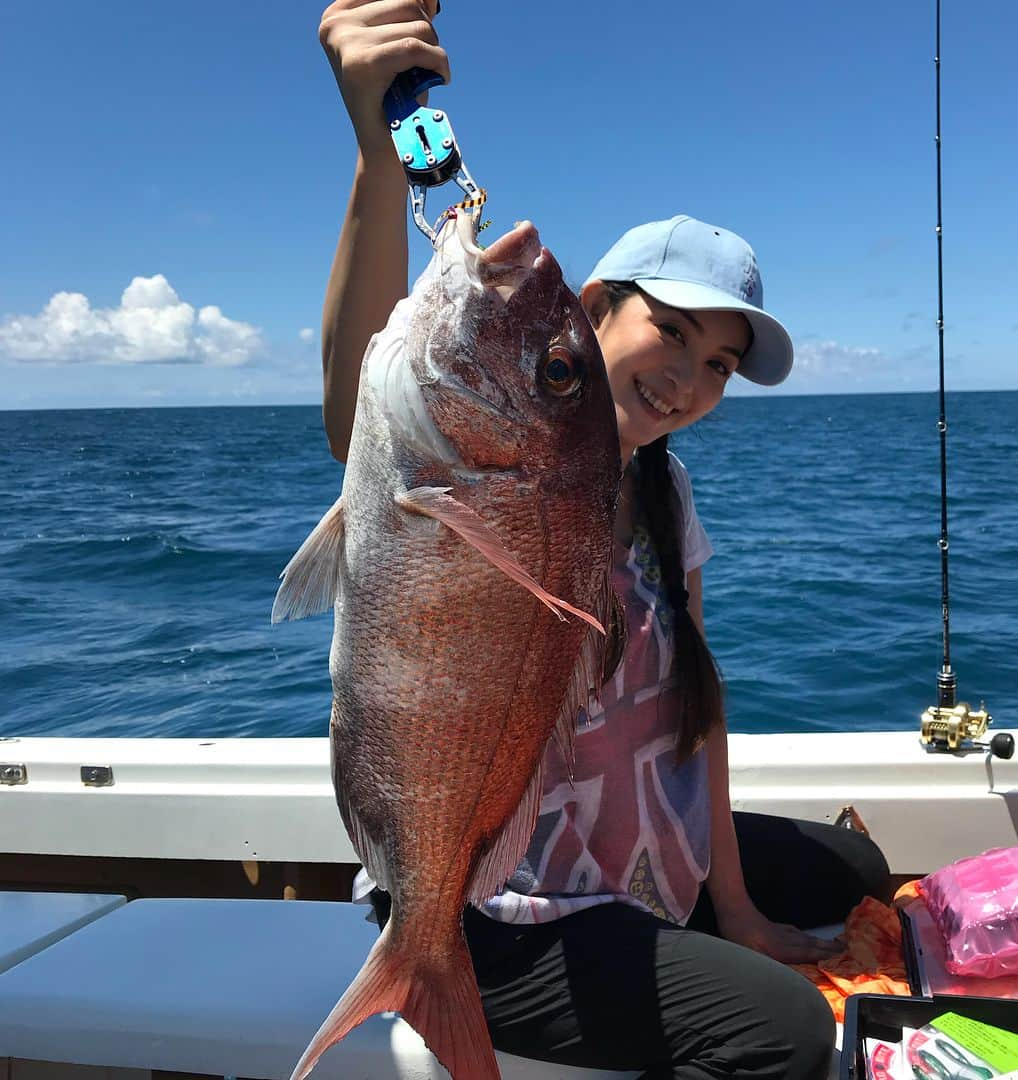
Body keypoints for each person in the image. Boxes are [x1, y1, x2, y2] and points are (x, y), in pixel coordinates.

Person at [317, 2, 892, 1077]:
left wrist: (738, 906)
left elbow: (696, 720)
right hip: (507, 909)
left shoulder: (665, 495)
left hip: (632, 855)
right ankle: (431, 952)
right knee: (788, 1035)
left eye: (718, 363)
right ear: (592, 313)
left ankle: (688, 930)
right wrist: (377, 153)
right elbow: (360, 408)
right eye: (669, 332)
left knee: (852, 868)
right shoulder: (463, 463)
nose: (688, 375)